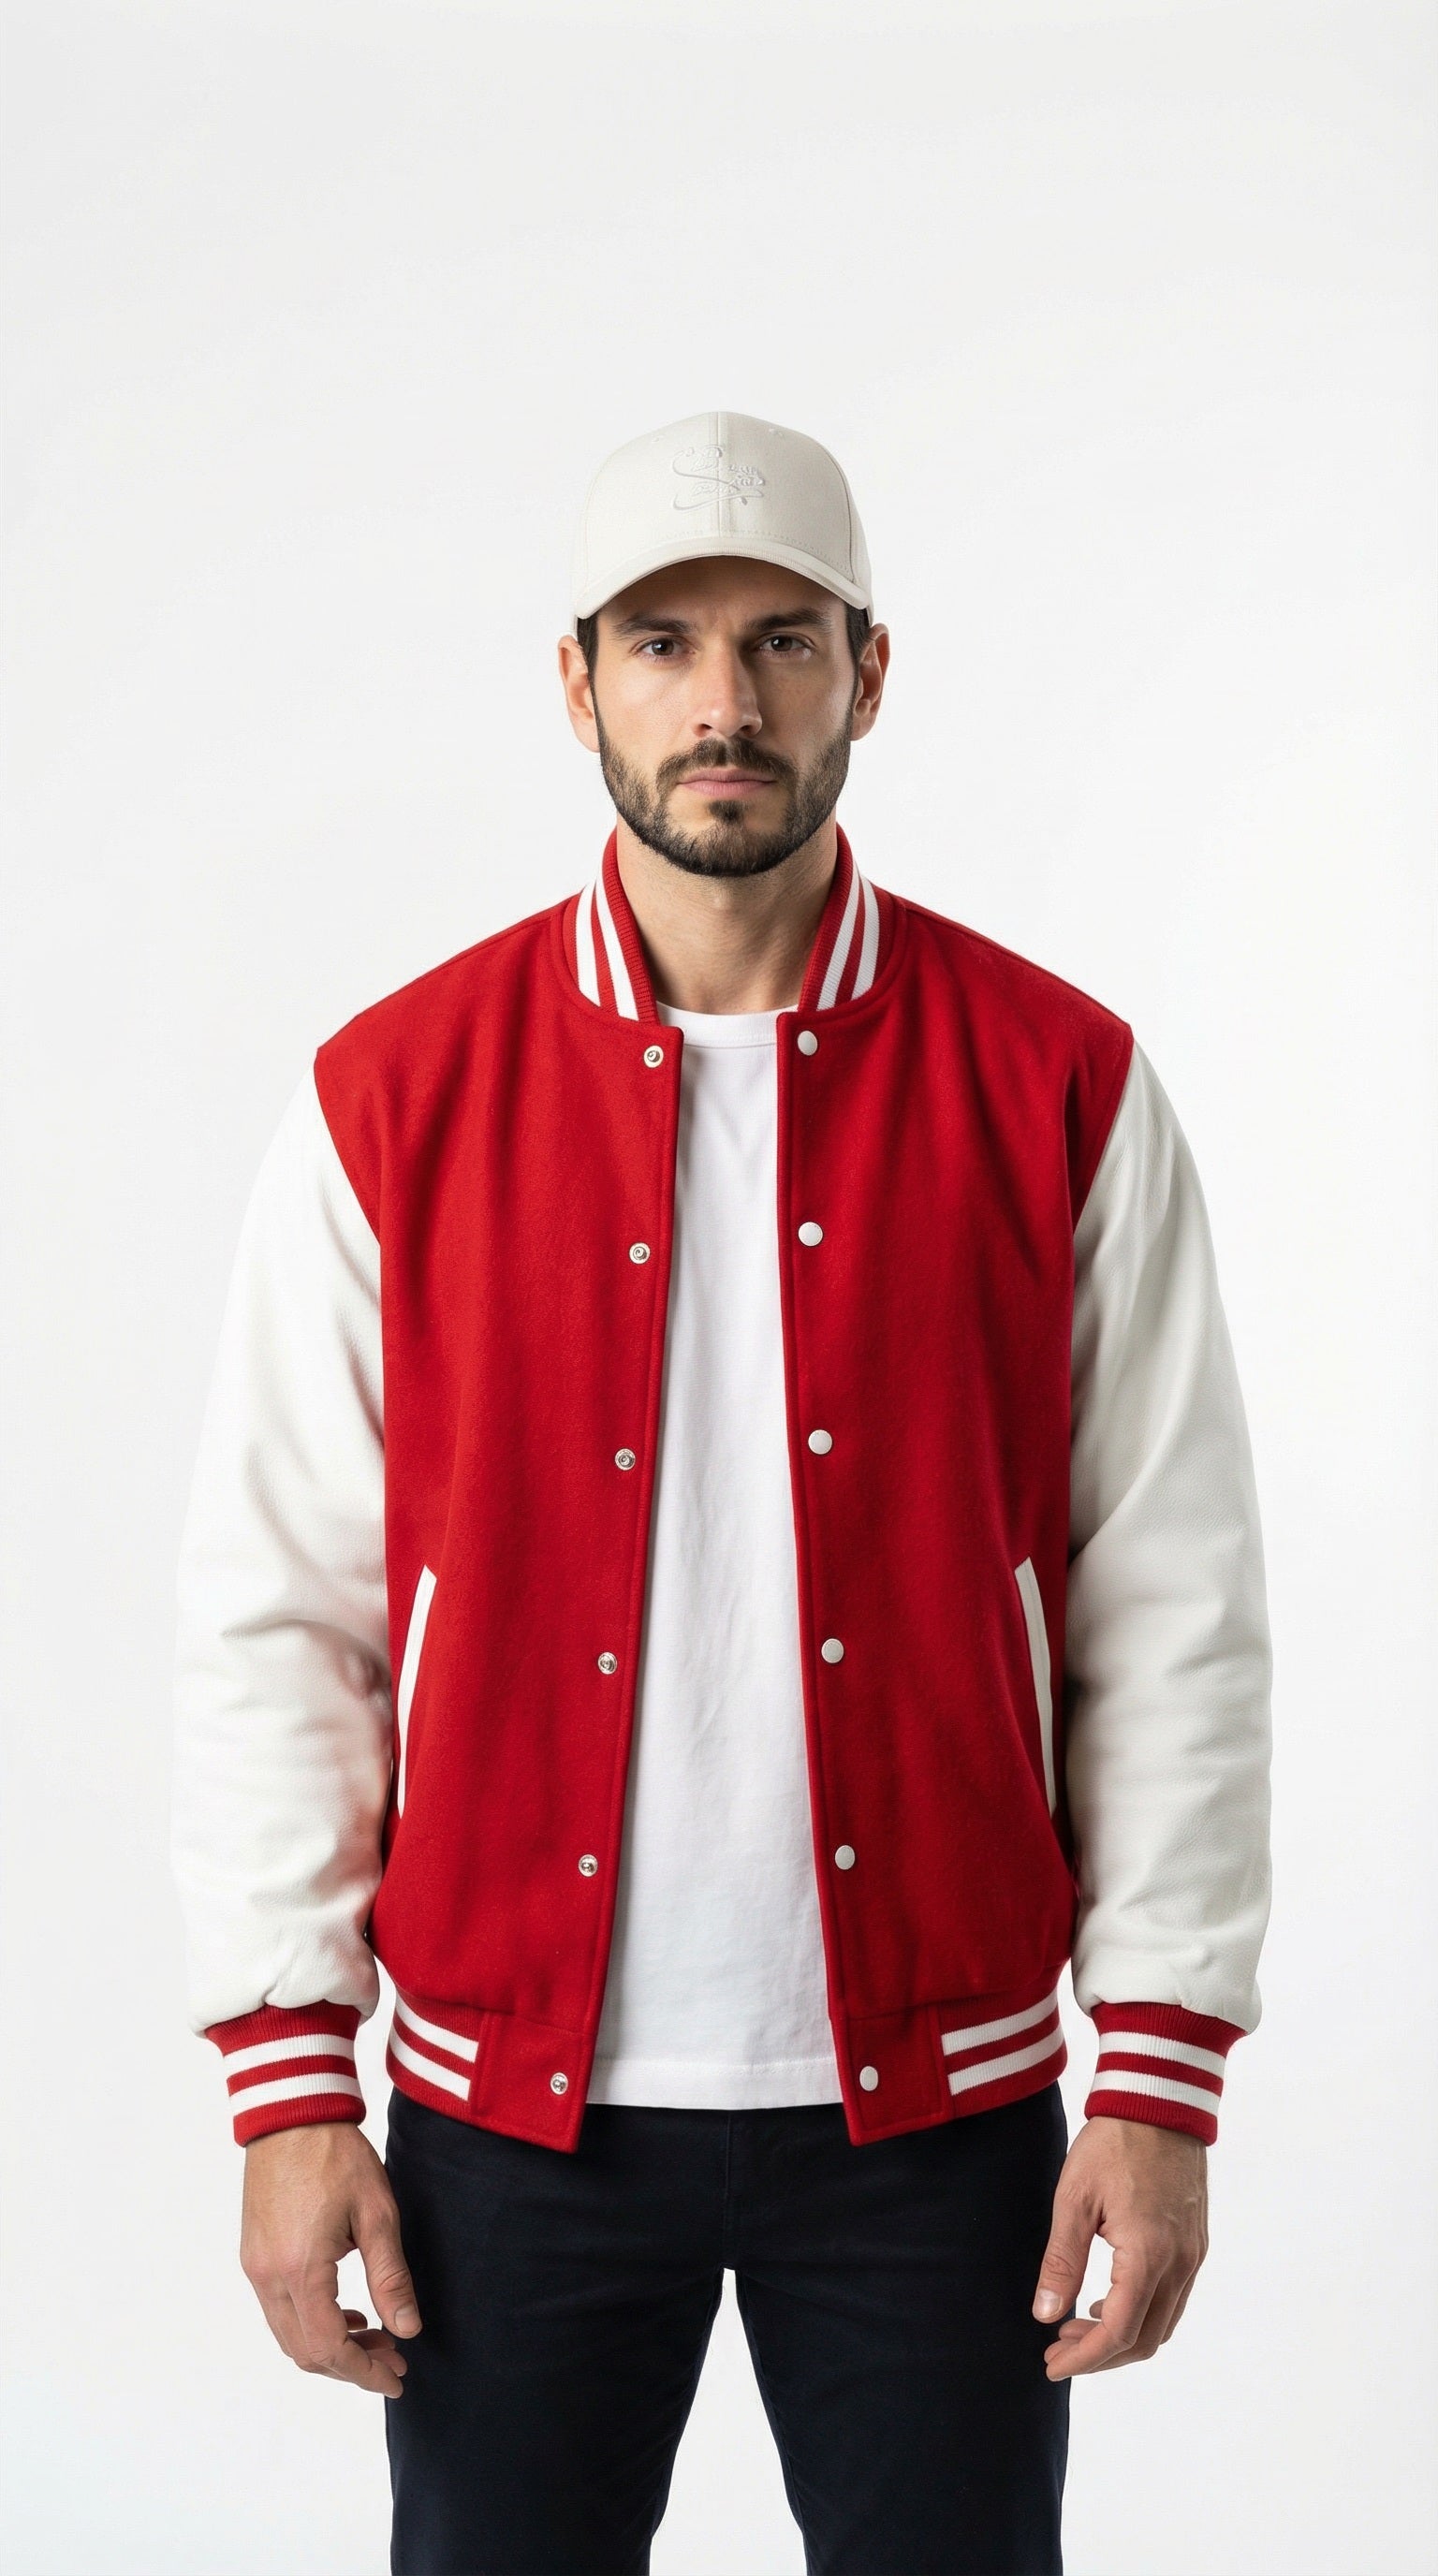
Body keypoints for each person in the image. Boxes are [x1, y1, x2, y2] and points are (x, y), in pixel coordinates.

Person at [169, 409, 1273, 2576]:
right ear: (573, 681)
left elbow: (1175, 1603)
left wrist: (1154, 2075)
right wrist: (291, 2083)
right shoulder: (394, 1097)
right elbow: (278, 1612)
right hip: (512, 2120)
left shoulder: (1057, 1084)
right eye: (662, 642)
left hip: (941, 2121)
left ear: (873, 670)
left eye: (782, 640)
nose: (725, 702)